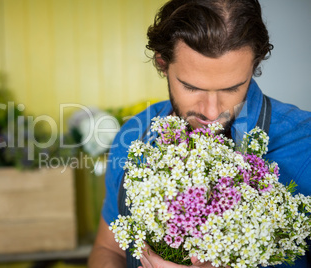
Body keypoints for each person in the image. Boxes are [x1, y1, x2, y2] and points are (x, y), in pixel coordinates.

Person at [88, 0, 311, 267]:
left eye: (231, 88)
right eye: (192, 87)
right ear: (162, 63)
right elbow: (107, 249)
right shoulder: (134, 135)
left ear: (253, 66)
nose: (212, 112)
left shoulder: (304, 144)